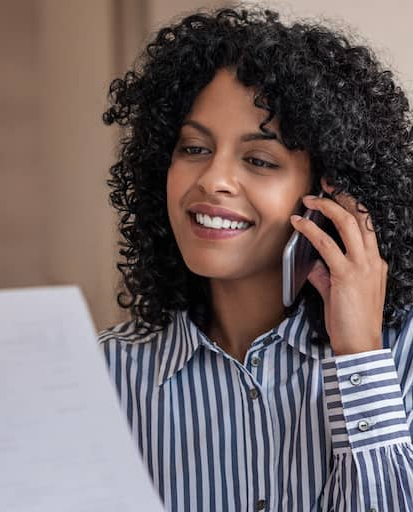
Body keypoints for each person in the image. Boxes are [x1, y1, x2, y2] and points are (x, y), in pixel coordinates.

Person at [98, 5, 413, 511]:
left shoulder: (403, 359)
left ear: (330, 193)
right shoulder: (105, 375)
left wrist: (359, 357)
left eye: (259, 160)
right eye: (194, 148)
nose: (212, 179)